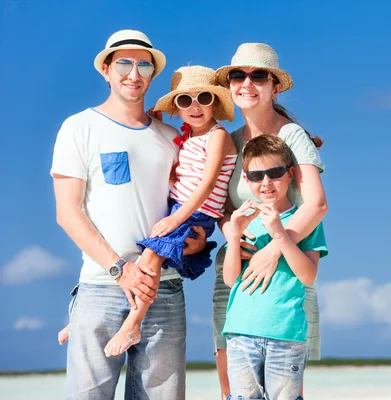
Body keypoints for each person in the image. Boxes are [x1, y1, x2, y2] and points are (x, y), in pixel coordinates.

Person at [50, 29, 206, 399]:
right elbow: (67, 212)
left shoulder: (172, 138)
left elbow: (183, 208)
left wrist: (195, 245)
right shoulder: (79, 127)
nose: (133, 73)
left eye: (144, 65)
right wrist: (120, 269)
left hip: (163, 290)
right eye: (123, 62)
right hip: (101, 287)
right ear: (106, 69)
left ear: (152, 75)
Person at [57, 65, 237, 358]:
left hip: (195, 213)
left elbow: (206, 184)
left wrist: (176, 218)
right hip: (179, 209)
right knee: (145, 261)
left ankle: (133, 323)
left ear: (215, 103)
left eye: (203, 98)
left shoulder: (217, 136)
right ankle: (81, 322)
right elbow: (176, 177)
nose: (194, 106)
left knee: (150, 260)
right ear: (176, 109)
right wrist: (155, 119)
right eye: (183, 101)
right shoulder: (186, 139)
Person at [212, 43, 328, 399]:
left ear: (274, 86)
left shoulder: (291, 135)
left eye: (258, 75)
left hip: (286, 271)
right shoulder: (229, 142)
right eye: (238, 75)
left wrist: (274, 249)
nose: (247, 83)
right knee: (232, 387)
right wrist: (233, 236)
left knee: (286, 391)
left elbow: (317, 204)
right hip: (236, 272)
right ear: (229, 84)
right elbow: (222, 209)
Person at [222, 135, 328, 399]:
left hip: (286, 334)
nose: (266, 182)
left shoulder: (306, 221)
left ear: (290, 174)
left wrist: (281, 235)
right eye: (257, 176)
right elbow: (231, 279)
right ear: (246, 180)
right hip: (241, 332)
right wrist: (234, 237)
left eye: (275, 173)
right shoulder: (246, 222)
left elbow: (308, 275)